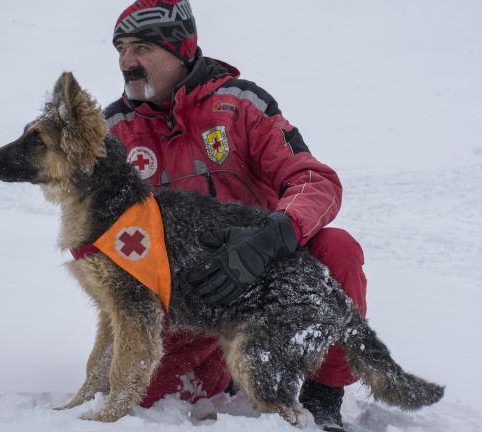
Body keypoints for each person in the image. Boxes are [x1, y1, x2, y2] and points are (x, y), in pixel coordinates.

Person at [104, 1, 367, 431]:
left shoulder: (240, 105)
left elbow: (315, 180)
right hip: (183, 302)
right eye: (121, 49)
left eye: (142, 48)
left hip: (265, 279)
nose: (126, 62)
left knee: (337, 250)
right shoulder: (113, 130)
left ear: (182, 49)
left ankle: (323, 395)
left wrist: (270, 237)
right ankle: (226, 373)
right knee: (150, 401)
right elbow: (90, 224)